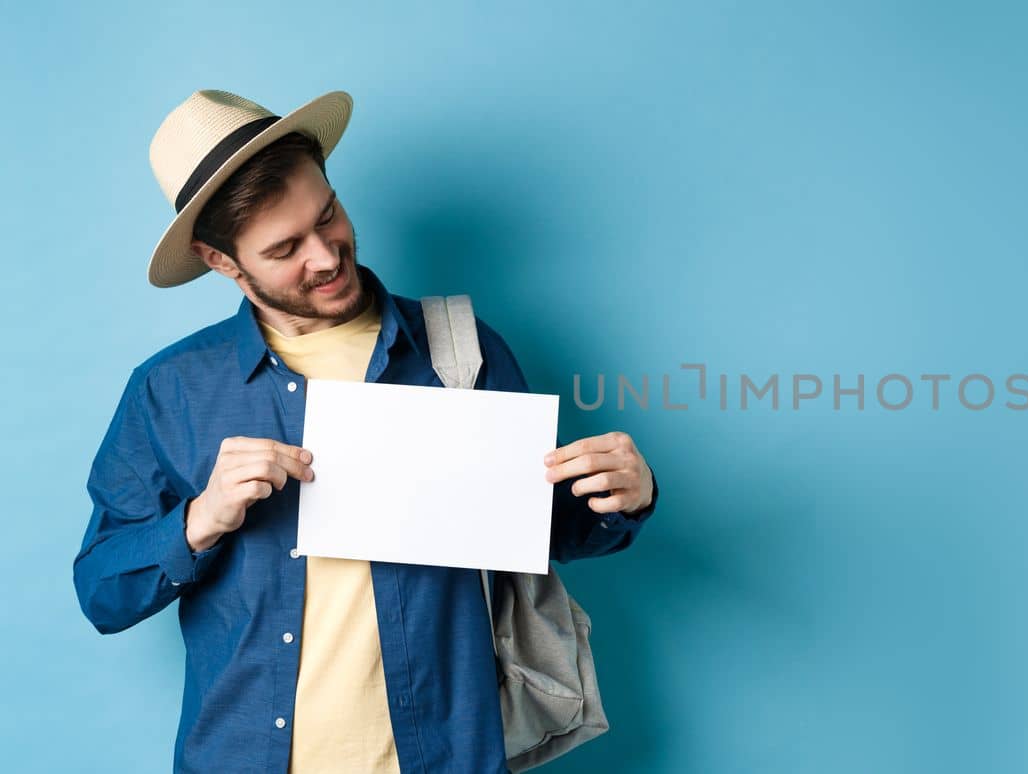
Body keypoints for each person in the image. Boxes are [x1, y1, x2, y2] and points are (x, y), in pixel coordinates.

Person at [71, 89, 657, 773]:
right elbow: (102, 594)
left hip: (441, 757)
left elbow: (543, 532)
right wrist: (201, 519)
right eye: (286, 247)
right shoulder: (170, 391)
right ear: (221, 261)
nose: (325, 256)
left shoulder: (461, 351)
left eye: (329, 217)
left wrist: (626, 497)